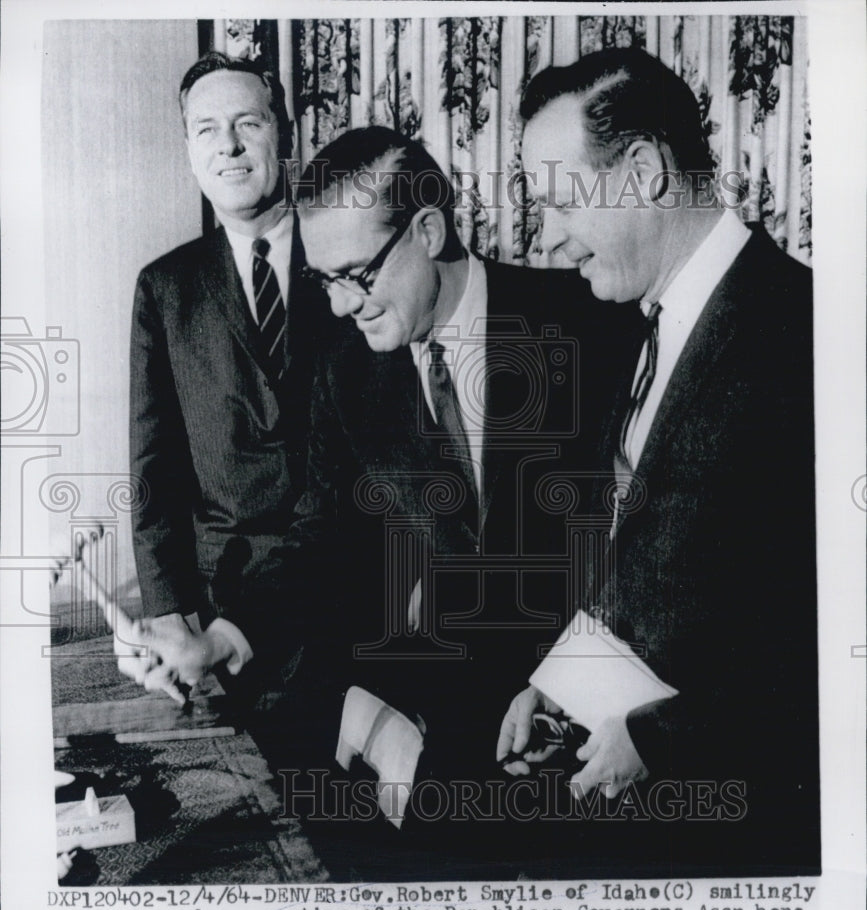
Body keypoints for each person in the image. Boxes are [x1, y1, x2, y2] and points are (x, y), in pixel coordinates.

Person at [142, 125, 637, 811]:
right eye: (324, 281)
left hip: (610, 721)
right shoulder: (348, 371)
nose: (342, 305)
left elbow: (650, 535)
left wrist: (586, 690)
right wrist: (224, 635)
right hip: (469, 728)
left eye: (357, 275)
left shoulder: (590, 321)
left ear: (427, 232)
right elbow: (324, 537)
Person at [497, 48, 818, 873]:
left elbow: (821, 633)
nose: (552, 238)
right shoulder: (643, 326)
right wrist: (562, 686)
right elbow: (647, 558)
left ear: (641, 170)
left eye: (560, 199)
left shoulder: (801, 335)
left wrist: (657, 739)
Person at [128, 52, 334, 759]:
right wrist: (165, 617)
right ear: (188, 149)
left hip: (352, 593)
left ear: (287, 133)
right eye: (206, 129)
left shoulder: (348, 255)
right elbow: (153, 463)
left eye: (247, 122)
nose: (229, 145)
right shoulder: (165, 287)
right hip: (225, 604)